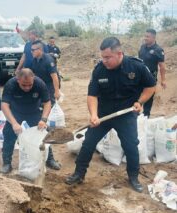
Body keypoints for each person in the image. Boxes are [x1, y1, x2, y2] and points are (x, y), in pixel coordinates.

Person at [65, 37, 156, 193]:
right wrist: (93, 115)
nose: (104, 60)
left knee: (131, 146)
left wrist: (140, 102)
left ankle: (133, 177)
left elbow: (151, 86)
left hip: (125, 115)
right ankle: (79, 174)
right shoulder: (99, 69)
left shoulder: (136, 67)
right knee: (88, 144)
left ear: (119, 54)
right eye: (102, 57)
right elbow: (92, 95)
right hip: (103, 116)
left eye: (107, 57)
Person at [0, 68, 51, 174]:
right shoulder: (11, 84)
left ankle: (50, 159)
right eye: (24, 85)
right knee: (8, 135)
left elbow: (47, 103)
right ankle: (6, 163)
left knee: (44, 136)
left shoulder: (39, 83)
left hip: (34, 113)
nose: (27, 87)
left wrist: (43, 119)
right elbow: (4, 105)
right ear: (18, 80)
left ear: (33, 79)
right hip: (16, 113)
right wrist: (13, 123)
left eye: (30, 85)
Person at [30, 40, 61, 170]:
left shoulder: (48, 60)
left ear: (40, 50)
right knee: (37, 121)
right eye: (31, 50)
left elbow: (55, 77)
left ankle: (50, 158)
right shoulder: (35, 61)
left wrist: (57, 91)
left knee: (43, 121)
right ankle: (38, 151)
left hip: (48, 93)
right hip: (38, 93)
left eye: (33, 50)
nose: (31, 52)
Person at [138, 28, 166, 117]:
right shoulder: (142, 47)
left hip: (151, 77)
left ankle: (146, 115)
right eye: (145, 36)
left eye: (147, 36)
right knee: (137, 95)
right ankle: (135, 114)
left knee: (149, 97)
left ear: (153, 38)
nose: (145, 38)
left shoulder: (158, 50)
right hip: (140, 76)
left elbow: (162, 66)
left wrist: (163, 80)